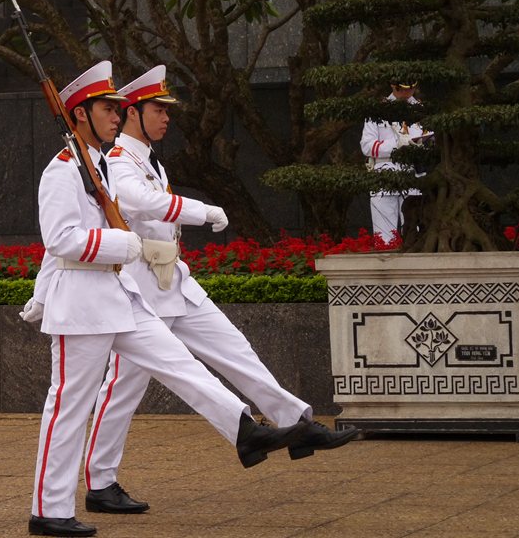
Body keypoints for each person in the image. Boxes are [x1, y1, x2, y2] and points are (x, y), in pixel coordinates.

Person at [25, 61, 307, 537]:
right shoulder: (63, 172)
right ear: (78, 114)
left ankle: (243, 429)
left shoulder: (98, 168)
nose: (117, 115)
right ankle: (49, 511)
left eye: (118, 107)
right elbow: (61, 240)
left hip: (120, 294)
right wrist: (122, 246)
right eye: (107, 108)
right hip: (81, 304)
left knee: (181, 364)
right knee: (70, 406)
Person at [74, 66, 359, 515]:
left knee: (236, 350)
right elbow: (138, 202)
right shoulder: (117, 160)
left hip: (174, 281)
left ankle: (295, 422)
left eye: (167, 110)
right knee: (122, 389)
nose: (167, 118)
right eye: (157, 109)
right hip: (144, 289)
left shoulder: (150, 159)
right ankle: (101, 483)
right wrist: (201, 210)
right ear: (132, 114)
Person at [360, 80, 431, 243]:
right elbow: (367, 146)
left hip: (413, 174)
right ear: (393, 86)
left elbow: (429, 139)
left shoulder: (421, 108)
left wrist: (422, 145)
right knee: (384, 238)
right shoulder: (377, 109)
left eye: (411, 89)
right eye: (402, 89)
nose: (407, 93)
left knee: (415, 235)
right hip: (384, 176)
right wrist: (396, 146)